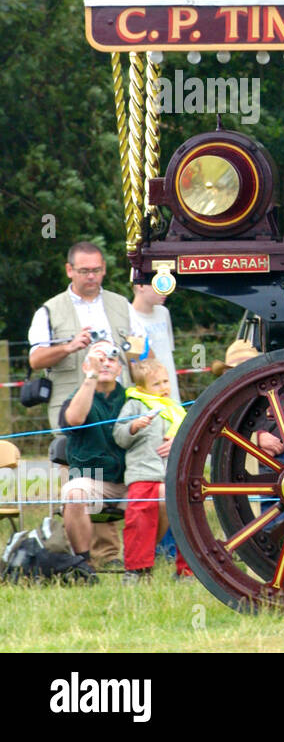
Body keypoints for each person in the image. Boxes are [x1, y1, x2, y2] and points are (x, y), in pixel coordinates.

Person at [28, 242, 133, 431]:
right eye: (84, 271)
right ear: (70, 270)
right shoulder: (49, 310)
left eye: (96, 270)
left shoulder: (123, 305)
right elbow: (35, 360)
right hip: (72, 408)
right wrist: (69, 347)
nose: (91, 276)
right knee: (75, 459)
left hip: (120, 406)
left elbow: (143, 354)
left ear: (104, 270)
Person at [57, 341, 142, 572]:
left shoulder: (133, 399)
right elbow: (74, 419)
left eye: (111, 359)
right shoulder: (78, 397)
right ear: (86, 366)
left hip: (131, 480)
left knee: (163, 496)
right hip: (92, 481)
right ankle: (83, 563)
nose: (105, 363)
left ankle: (143, 559)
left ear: (120, 369)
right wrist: (92, 377)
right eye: (98, 358)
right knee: (74, 494)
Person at [112, 359, 190, 581]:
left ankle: (187, 570)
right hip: (143, 474)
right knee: (138, 519)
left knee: (185, 517)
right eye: (156, 384)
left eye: (166, 381)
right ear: (141, 388)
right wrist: (133, 427)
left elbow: (190, 434)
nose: (164, 387)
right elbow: (119, 436)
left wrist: (178, 439)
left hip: (173, 476)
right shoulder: (134, 405)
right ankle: (138, 569)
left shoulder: (175, 408)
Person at [129, 283, 180, 402]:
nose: (165, 291)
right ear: (140, 285)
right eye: (158, 284)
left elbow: (168, 353)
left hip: (170, 389)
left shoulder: (163, 313)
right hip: (149, 394)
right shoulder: (130, 318)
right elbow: (134, 363)